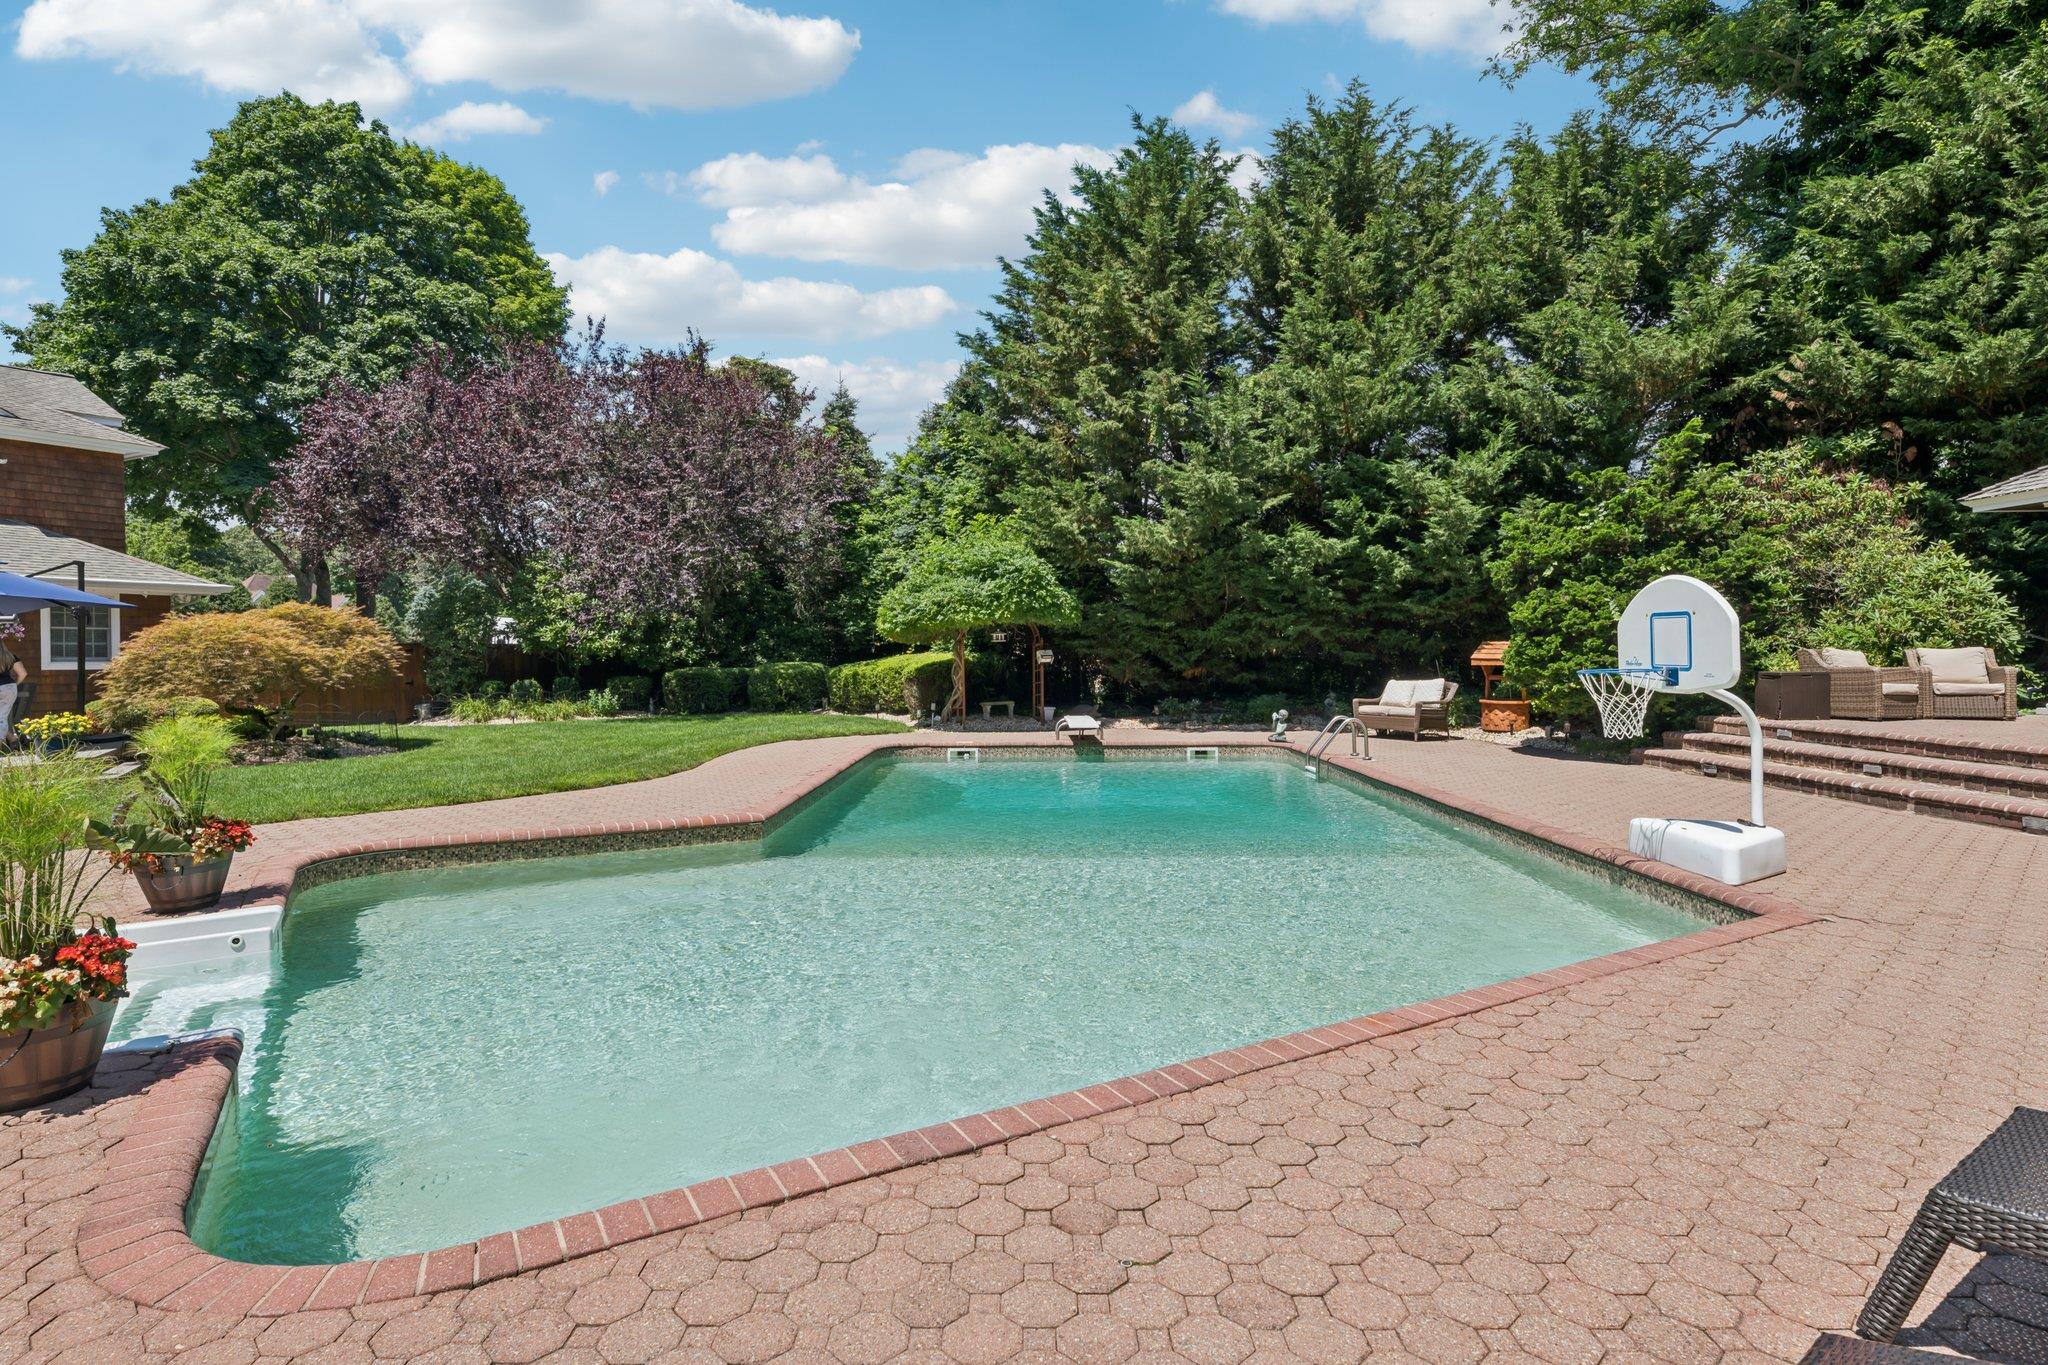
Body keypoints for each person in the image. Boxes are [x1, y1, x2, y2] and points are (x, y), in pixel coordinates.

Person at [0, 627, 25, 743]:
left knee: (1, 718)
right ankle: (11, 738)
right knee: (2, 717)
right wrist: (14, 685)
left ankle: (3, 743)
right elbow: (23, 674)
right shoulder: (10, 656)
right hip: (9, 688)